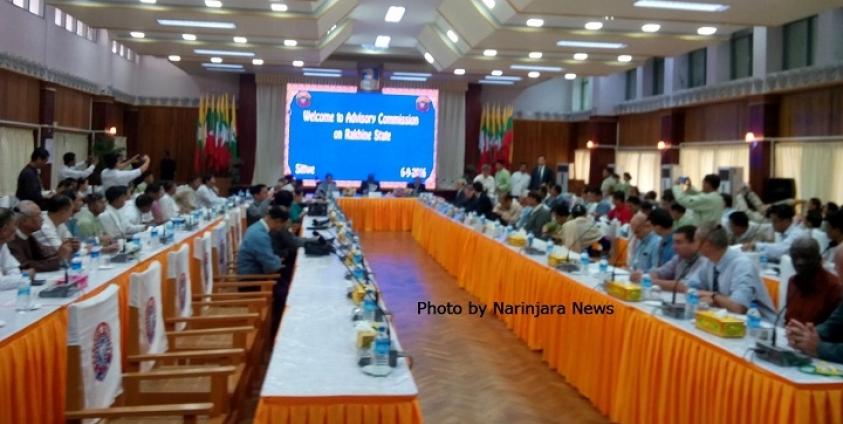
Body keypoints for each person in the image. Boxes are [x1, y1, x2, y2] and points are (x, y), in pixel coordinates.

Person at [685, 223, 776, 321]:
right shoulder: (709, 260)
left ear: (707, 245)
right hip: (725, 319)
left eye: (695, 241)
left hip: (758, 325)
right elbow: (690, 287)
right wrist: (710, 297)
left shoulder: (743, 265)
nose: (693, 245)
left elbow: (737, 307)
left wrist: (713, 296)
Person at [786, 247, 843, 363]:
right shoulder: (794, 281)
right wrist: (804, 335)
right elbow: (833, 324)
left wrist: (819, 348)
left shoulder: (833, 285)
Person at [784, 238, 842, 325]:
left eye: (806, 257)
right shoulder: (792, 282)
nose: (800, 263)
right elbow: (788, 320)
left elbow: (834, 329)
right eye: (795, 257)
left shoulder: (834, 287)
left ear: (819, 259)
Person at [631, 225, 707, 292]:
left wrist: (648, 280)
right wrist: (642, 276)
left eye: (679, 242)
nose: (674, 247)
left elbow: (683, 286)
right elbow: (660, 273)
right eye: (674, 243)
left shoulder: (704, 261)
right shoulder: (678, 258)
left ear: (695, 243)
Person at [8, 201, 74, 272]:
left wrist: (65, 248)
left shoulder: (29, 235)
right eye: (38, 216)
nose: (42, 219)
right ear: (24, 221)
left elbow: (43, 254)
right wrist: (59, 259)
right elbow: (24, 266)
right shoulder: (12, 239)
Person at [237, 206, 286, 275]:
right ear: (278, 221)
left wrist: (276, 260)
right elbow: (271, 266)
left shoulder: (257, 227)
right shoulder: (260, 235)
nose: (280, 228)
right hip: (251, 278)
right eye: (282, 226)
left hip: (252, 271)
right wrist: (278, 260)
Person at [0, 208, 30, 290]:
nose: (17, 229)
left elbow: (13, 269)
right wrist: (23, 277)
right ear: (4, 229)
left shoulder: (2, 244)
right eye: (15, 224)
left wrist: (18, 278)